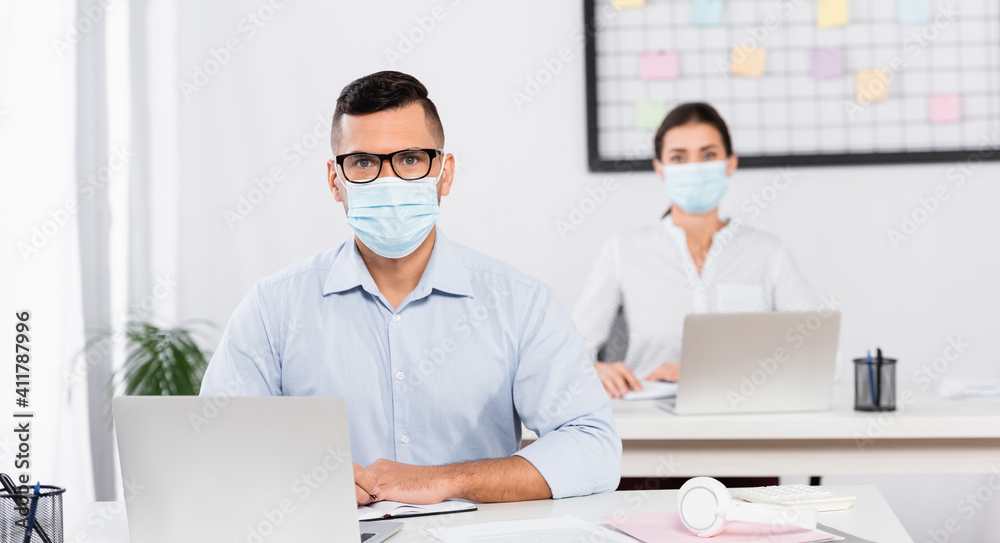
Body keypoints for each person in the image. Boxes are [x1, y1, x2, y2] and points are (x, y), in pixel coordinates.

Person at [200, 71, 621, 505]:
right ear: (334, 180)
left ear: (444, 172)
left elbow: (593, 448)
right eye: (363, 162)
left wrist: (441, 480)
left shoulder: (520, 302)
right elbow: (215, 448)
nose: (388, 180)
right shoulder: (273, 308)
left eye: (410, 159)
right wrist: (303, 477)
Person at [574, 102, 818, 399]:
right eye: (678, 157)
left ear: (730, 163)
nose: (694, 168)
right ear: (660, 169)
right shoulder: (624, 250)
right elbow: (571, 353)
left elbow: (823, 356)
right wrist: (594, 369)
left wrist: (707, 371)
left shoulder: (768, 253)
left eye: (709, 155)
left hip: (746, 416)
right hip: (648, 420)